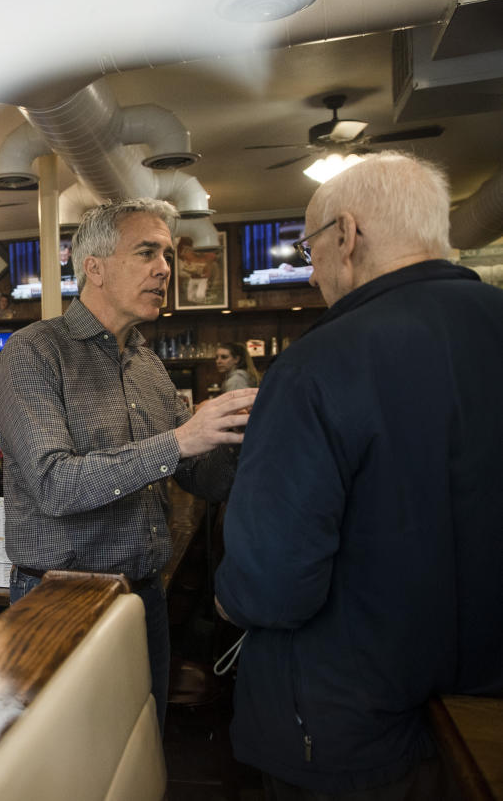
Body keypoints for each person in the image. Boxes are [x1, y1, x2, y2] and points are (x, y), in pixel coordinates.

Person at [214, 152, 503, 798]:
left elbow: (269, 587)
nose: (311, 270)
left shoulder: (315, 367)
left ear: (346, 235)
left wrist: (224, 600)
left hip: (344, 730)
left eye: (309, 247)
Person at [0, 198, 257, 732]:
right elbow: (54, 484)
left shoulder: (148, 365)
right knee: (74, 770)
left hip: (143, 597)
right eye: (147, 252)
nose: (165, 268)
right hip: (61, 602)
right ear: (95, 267)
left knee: (142, 750)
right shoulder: (33, 353)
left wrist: (239, 436)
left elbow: (201, 479)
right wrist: (180, 440)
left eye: (166, 255)